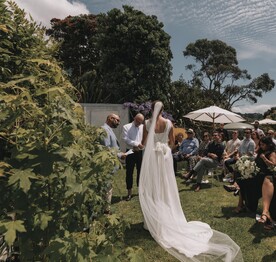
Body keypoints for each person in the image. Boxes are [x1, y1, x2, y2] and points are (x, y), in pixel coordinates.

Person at [139, 101, 243, 262]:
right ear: (163, 110)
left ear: (151, 109)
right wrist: (164, 147)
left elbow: (144, 143)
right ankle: (167, 216)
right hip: (164, 156)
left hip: (153, 157)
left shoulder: (147, 123)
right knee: (165, 186)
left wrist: (148, 147)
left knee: (153, 185)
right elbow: (172, 143)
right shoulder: (168, 123)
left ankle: (153, 221)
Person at [101, 113, 126, 213]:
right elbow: (106, 149)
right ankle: (105, 211)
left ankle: (106, 209)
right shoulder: (105, 130)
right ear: (110, 118)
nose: (118, 123)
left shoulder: (108, 129)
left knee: (108, 188)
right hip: (107, 165)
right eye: (117, 120)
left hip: (110, 165)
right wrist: (120, 155)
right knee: (106, 188)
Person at [122, 113, 144, 201]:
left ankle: (140, 191)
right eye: (138, 121)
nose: (139, 123)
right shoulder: (126, 127)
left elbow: (144, 137)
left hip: (140, 152)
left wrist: (141, 145)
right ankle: (129, 192)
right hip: (130, 151)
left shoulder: (142, 127)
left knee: (140, 172)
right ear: (134, 118)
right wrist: (136, 144)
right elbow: (125, 139)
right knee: (129, 172)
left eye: (140, 122)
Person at [256, 137, 276, 229]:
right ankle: (237, 187)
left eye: (263, 144)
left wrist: (264, 158)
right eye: (260, 144)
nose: (261, 146)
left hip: (268, 174)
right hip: (259, 174)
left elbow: (273, 165)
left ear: (268, 145)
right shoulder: (261, 152)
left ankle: (265, 213)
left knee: (267, 179)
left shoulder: (271, 153)